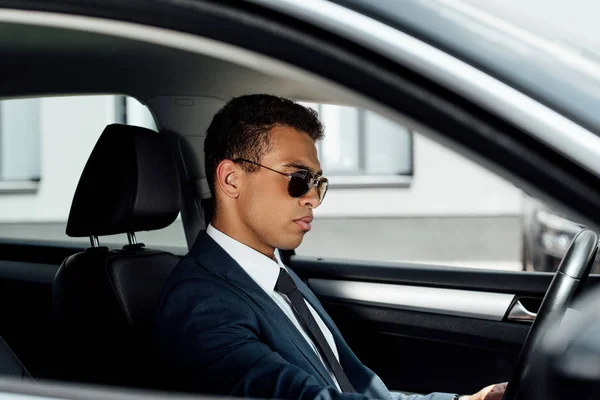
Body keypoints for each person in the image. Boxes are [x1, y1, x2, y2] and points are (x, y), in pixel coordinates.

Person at [153, 94, 507, 400]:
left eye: (318, 183)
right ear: (231, 179)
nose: (312, 199)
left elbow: (358, 391)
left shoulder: (281, 278)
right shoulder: (200, 303)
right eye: (298, 179)